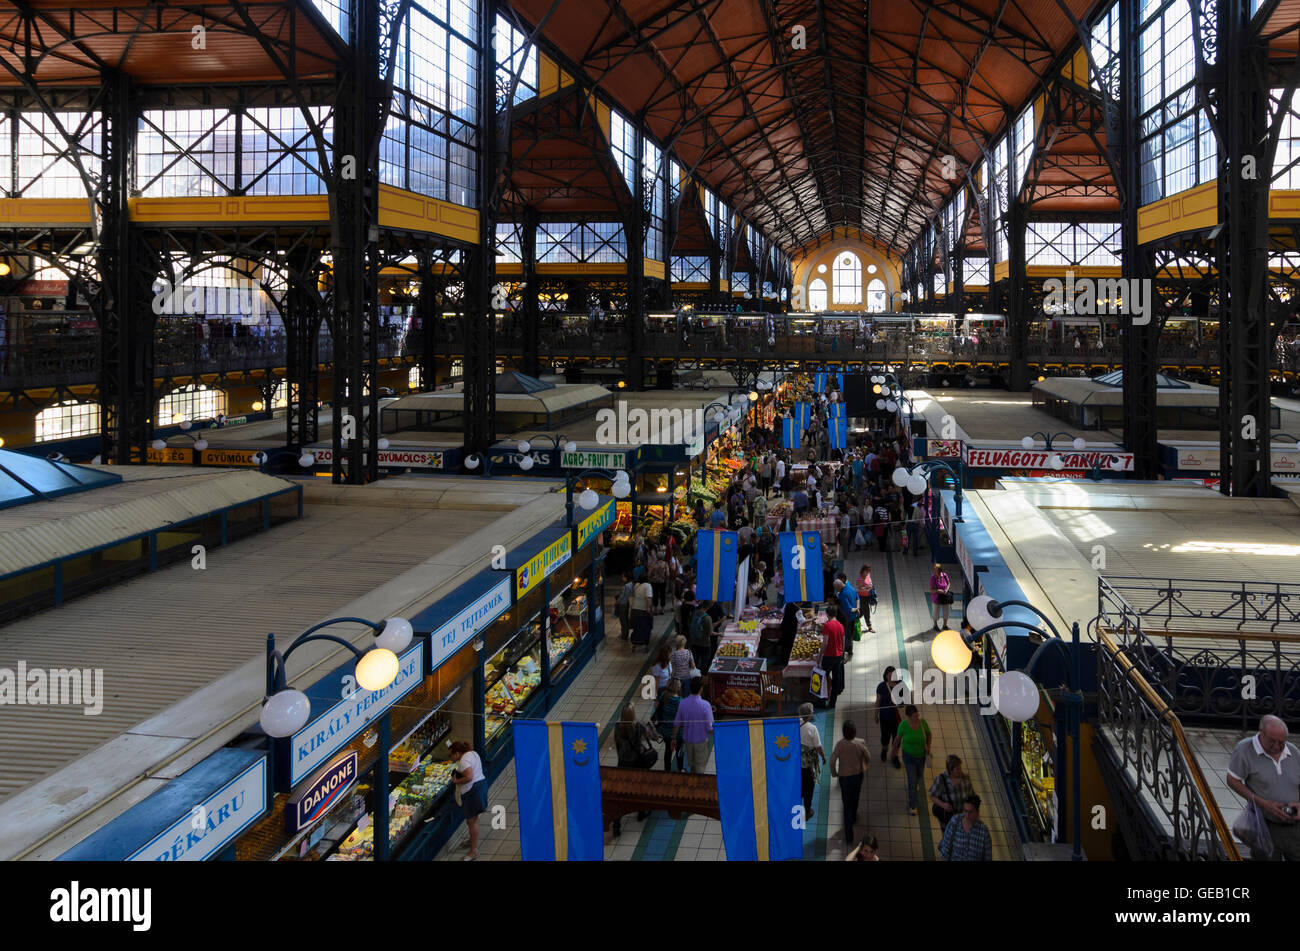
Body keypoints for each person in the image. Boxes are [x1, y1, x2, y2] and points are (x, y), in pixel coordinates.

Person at [1226, 714, 1300, 860]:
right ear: (1261, 732)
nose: (1277, 746)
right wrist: (1264, 804)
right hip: (1265, 826)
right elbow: (1232, 780)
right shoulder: (1245, 750)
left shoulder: (1293, 752)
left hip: (1295, 825)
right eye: (1272, 741)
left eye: (1281, 742)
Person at [612, 703, 659, 837]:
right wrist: (650, 725)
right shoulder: (638, 725)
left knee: (620, 793)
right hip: (637, 762)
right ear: (633, 714)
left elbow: (617, 745)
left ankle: (616, 825)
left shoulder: (617, 727)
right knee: (641, 787)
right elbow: (654, 737)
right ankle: (641, 811)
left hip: (622, 762)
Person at [829, 720, 872, 844]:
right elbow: (868, 757)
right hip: (857, 775)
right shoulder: (860, 743)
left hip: (845, 777)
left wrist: (834, 773)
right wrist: (864, 766)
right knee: (855, 797)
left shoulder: (840, 745)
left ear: (844, 732)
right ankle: (853, 816)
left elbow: (832, 761)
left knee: (846, 803)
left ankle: (848, 835)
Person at [892, 704, 932, 815]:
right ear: (908, 716)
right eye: (914, 716)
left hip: (921, 756)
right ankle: (912, 805)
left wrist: (928, 746)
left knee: (919, 775)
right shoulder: (903, 725)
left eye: (917, 715)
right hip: (908, 756)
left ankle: (913, 786)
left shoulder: (922, 723)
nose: (916, 718)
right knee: (912, 780)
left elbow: (929, 735)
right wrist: (894, 750)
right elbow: (898, 739)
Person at [449, 740, 486, 860]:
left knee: (472, 822)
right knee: (473, 819)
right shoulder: (473, 753)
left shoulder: (464, 762)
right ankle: (472, 840)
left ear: (457, 753)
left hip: (472, 791)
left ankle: (474, 851)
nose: (450, 757)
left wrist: (456, 781)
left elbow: (469, 777)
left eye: (451, 755)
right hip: (480, 786)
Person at [672, 677, 714, 774]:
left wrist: (673, 738)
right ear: (701, 689)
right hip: (701, 743)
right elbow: (709, 728)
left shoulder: (683, 703)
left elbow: (676, 723)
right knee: (700, 769)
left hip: (688, 741)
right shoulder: (705, 705)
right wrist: (720, 734)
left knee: (692, 767)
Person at [938, 794, 993, 861]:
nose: (967, 815)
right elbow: (945, 851)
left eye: (970, 812)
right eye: (965, 811)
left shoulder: (984, 832)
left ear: (977, 813)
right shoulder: (955, 822)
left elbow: (988, 857)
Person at [929, 754, 975, 830]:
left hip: (962, 819)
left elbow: (972, 796)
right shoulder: (941, 779)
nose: (960, 771)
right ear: (950, 770)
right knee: (947, 837)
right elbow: (932, 795)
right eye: (957, 769)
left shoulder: (965, 779)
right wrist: (943, 805)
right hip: (947, 819)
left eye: (960, 768)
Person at [653, 679, 686, 772]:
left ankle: (667, 769)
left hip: (666, 730)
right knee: (679, 751)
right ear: (677, 688)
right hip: (678, 732)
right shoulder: (680, 701)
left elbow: (656, 707)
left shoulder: (664, 696)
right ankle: (680, 769)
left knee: (668, 750)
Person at [799, 702, 825, 818]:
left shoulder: (795, 723)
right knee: (809, 788)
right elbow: (818, 746)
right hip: (809, 764)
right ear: (809, 715)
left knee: (799, 785)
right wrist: (823, 757)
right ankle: (807, 810)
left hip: (797, 763)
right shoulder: (812, 728)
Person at [875, 667, 902, 765]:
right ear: (886, 676)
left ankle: (894, 756)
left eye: (893, 675)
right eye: (889, 675)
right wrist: (876, 715)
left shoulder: (900, 685)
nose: (891, 677)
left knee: (897, 739)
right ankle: (884, 749)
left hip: (898, 719)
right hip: (885, 719)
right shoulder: (882, 686)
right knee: (885, 737)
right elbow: (878, 702)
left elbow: (905, 701)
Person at [834, 578, 860, 660]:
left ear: (838, 586)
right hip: (853, 617)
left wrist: (855, 609)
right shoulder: (850, 587)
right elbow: (857, 598)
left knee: (846, 636)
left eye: (836, 588)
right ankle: (850, 651)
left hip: (847, 619)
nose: (836, 590)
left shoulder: (842, 595)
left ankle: (845, 652)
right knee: (850, 635)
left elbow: (850, 609)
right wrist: (858, 607)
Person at [687, 601, 714, 673]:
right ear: (709, 606)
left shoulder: (694, 613)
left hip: (694, 642)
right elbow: (710, 633)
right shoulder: (707, 618)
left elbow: (689, 624)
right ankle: (701, 677)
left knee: (695, 661)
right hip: (704, 644)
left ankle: (693, 676)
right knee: (704, 663)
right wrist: (719, 634)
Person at [630, 572, 654, 648]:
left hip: (634, 609)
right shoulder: (648, 586)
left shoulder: (636, 585)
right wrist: (648, 610)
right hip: (643, 610)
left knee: (636, 627)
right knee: (645, 627)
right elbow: (648, 599)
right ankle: (644, 642)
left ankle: (635, 642)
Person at [928, 563, 952, 630]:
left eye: (935, 569)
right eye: (934, 569)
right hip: (936, 598)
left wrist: (946, 590)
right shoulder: (933, 578)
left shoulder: (944, 575)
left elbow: (948, 583)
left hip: (945, 597)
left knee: (946, 611)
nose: (934, 570)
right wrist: (938, 590)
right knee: (935, 612)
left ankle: (945, 625)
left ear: (939, 570)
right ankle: (935, 625)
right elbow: (931, 589)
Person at [857, 563, 876, 633]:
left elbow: (870, 582)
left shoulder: (868, 575)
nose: (868, 573)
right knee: (866, 611)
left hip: (868, 595)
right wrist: (867, 588)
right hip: (863, 596)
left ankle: (855, 619)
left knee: (862, 610)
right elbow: (859, 588)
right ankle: (869, 626)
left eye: (869, 571)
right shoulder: (860, 578)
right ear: (863, 570)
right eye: (867, 571)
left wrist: (870, 587)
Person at [615, 572, 634, 641]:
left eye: (623, 577)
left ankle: (624, 636)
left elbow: (621, 597)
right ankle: (625, 634)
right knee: (625, 619)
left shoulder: (625, 586)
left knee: (623, 621)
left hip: (622, 604)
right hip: (626, 603)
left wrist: (617, 602)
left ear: (626, 577)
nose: (622, 578)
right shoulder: (631, 584)